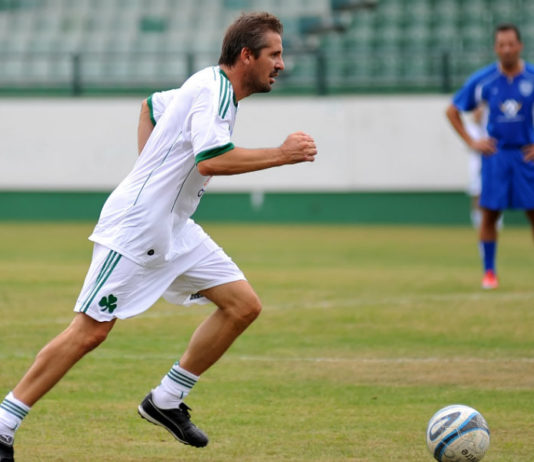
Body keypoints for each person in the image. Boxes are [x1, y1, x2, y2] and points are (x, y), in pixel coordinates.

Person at [0, 11, 317, 461]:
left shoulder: (210, 87)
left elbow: (151, 106)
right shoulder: (213, 91)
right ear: (247, 55)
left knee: (242, 305)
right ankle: (3, 424)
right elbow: (212, 159)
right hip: (136, 228)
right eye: (275, 54)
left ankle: (166, 399)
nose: (281, 64)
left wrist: (153, 174)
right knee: (89, 332)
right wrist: (281, 154)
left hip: (174, 228)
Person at [446, 22, 534, 290]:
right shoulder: (484, 80)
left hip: (526, 156)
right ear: (495, 48)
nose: (506, 49)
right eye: (501, 45)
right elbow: (452, 110)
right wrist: (472, 141)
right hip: (496, 155)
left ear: (520, 46)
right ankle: (489, 272)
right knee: (489, 215)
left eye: (511, 44)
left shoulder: (531, 76)